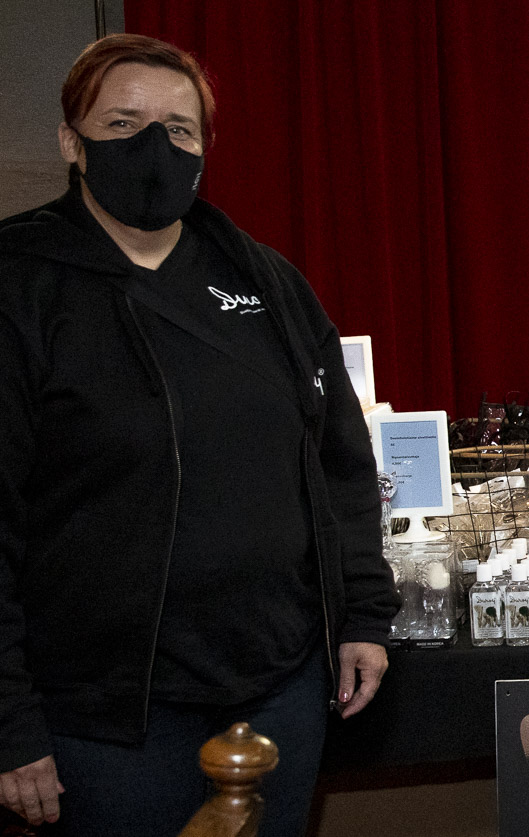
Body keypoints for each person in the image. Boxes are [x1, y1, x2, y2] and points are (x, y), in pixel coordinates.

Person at [0, 34, 399, 836]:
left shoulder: (267, 282)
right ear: (71, 142)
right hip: (107, 718)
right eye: (123, 123)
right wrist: (8, 719)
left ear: (205, 148)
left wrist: (362, 614)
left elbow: (341, 467)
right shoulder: (20, 285)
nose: (154, 145)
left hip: (279, 689)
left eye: (178, 129)